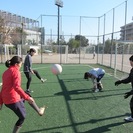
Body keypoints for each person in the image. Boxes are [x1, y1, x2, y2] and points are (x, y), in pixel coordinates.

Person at [0, 56, 46, 133]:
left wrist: (1, 102)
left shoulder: (5, 72)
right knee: (22, 117)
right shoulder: (16, 71)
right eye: (20, 64)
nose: (21, 66)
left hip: (6, 99)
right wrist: (27, 98)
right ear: (16, 64)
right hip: (12, 100)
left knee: (27, 94)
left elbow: (3, 88)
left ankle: (39, 111)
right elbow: (17, 87)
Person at [115, 55, 133, 122]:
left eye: (131, 62)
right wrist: (121, 81)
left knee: (132, 103)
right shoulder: (132, 70)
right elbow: (129, 79)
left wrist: (131, 92)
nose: (130, 63)